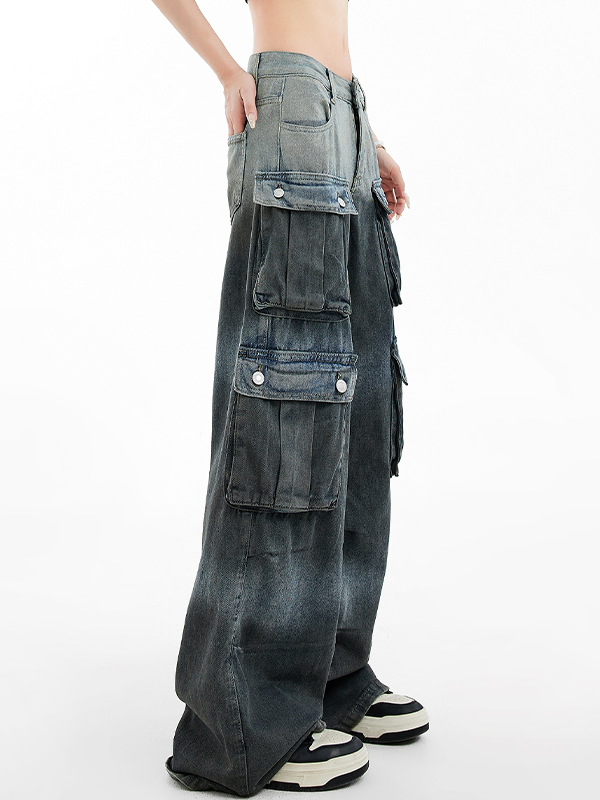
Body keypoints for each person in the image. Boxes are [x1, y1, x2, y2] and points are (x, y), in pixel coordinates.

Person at [150, 0, 428, 795]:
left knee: (359, 413)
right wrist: (226, 72)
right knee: (285, 420)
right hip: (287, 108)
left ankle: (330, 674)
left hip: (344, 115)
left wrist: (367, 138)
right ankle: (240, 719)